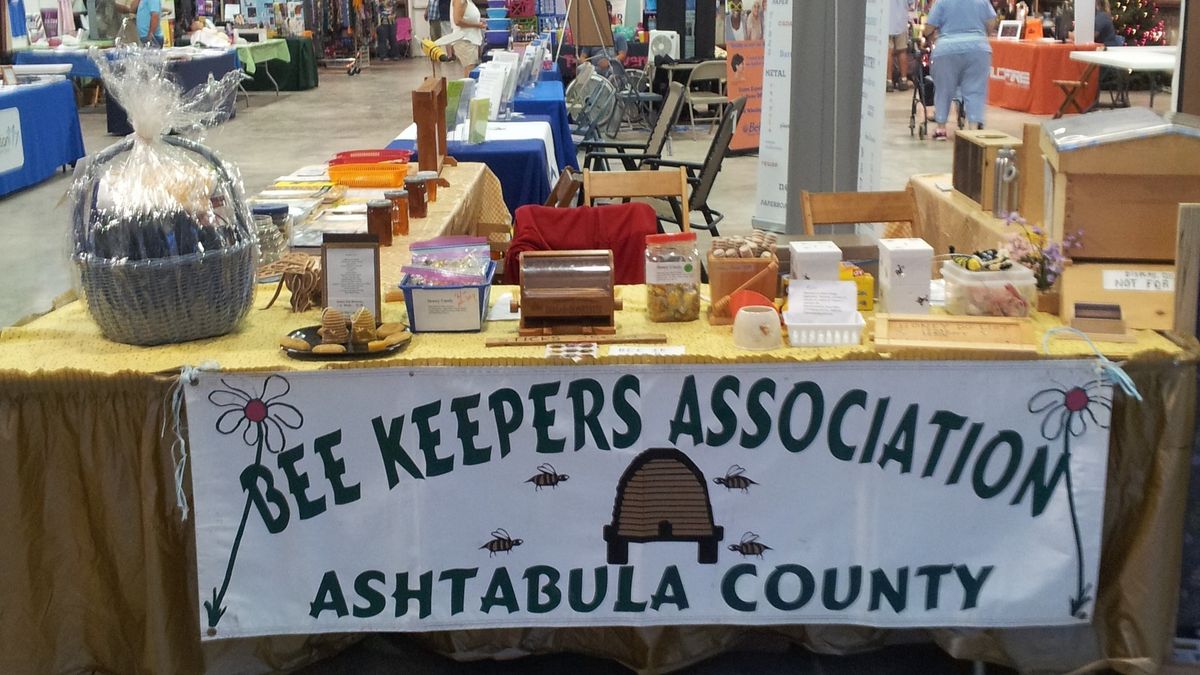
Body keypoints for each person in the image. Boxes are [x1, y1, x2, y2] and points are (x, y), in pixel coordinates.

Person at [923, 0, 997, 140]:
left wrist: (931, 35)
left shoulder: (941, 2)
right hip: (978, 48)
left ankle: (941, 128)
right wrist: (981, 33)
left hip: (946, 49)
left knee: (943, 89)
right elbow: (991, 22)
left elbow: (928, 28)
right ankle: (973, 127)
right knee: (975, 89)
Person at [443, 0, 484, 77]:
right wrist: (477, 25)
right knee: (470, 72)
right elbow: (458, 21)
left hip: (470, 40)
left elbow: (468, 17)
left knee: (471, 70)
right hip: (464, 40)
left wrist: (478, 21)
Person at [887, 0, 911, 92]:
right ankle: (904, 80)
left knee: (888, 51)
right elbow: (910, 3)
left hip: (886, 21)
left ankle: (889, 81)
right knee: (902, 50)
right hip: (901, 21)